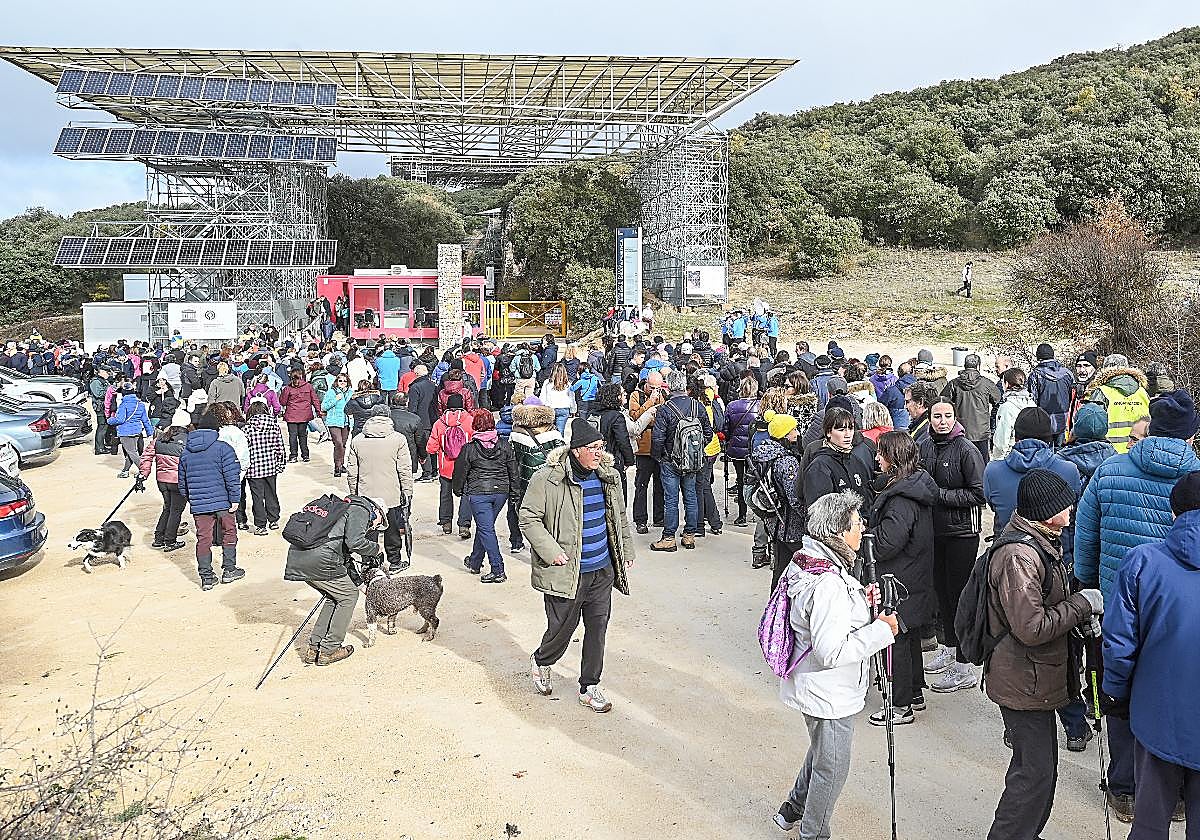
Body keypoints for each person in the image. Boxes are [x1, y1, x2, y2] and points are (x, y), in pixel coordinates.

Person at [1074, 389, 1200, 821]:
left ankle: (1125, 788)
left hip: (1116, 602)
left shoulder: (1110, 470)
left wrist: (1090, 585)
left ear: (1151, 425)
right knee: (1176, 694)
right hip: (1179, 615)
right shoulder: (1195, 475)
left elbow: (1086, 534)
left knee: (1118, 690)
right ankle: (1177, 793)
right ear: (1190, 434)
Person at [984, 469, 1103, 840]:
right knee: (1032, 776)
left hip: (1035, 678)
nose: (1071, 509)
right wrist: (1081, 606)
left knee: (1040, 773)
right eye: (1065, 505)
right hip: (1022, 682)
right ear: (1047, 513)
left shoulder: (1042, 540)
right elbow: (1031, 627)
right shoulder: (1018, 556)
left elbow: (1045, 605)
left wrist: (1076, 618)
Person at [772, 490, 899, 836]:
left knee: (822, 751)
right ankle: (813, 833)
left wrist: (859, 599)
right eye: (857, 524)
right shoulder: (827, 583)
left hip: (815, 686)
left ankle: (793, 808)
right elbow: (830, 652)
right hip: (828, 692)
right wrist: (880, 631)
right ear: (838, 532)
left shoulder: (808, 560)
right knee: (832, 766)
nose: (863, 529)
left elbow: (826, 613)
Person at [1102, 472, 1200, 837]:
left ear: (1173, 513)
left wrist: (1115, 693)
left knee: (1150, 823)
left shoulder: (1142, 562)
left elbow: (1119, 643)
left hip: (1157, 717)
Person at [522, 418, 634, 713]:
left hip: (602, 570)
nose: (599, 453)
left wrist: (626, 550)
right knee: (562, 628)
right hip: (566, 572)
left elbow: (619, 516)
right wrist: (551, 551)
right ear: (576, 450)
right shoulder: (547, 479)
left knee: (597, 628)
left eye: (601, 447)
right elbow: (528, 518)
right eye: (593, 448)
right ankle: (542, 660)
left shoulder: (608, 476)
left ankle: (589, 686)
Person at [867, 431, 938, 726]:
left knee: (893, 639)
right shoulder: (915, 486)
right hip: (914, 575)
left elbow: (887, 543)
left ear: (893, 459)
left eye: (881, 453)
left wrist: (865, 536)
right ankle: (915, 693)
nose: (877, 459)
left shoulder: (900, 500)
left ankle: (899, 705)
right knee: (908, 638)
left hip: (898, 580)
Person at [919, 400, 986, 693]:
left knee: (960, 597)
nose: (942, 421)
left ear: (955, 418)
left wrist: (941, 496)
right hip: (935, 532)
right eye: (937, 416)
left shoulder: (966, 450)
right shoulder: (926, 446)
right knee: (942, 595)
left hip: (962, 534)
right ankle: (948, 648)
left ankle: (964, 664)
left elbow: (979, 493)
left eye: (947, 416)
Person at [283, 495, 385, 667]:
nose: (374, 527)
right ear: (377, 511)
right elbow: (355, 543)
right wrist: (376, 549)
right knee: (348, 596)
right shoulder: (361, 510)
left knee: (334, 597)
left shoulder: (340, 508)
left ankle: (315, 648)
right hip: (320, 560)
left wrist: (360, 584)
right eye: (379, 523)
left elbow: (344, 555)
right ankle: (330, 649)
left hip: (299, 558)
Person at [984, 407, 1081, 538]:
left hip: (1006, 544)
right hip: (1055, 546)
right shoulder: (1070, 470)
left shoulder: (992, 471)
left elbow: (993, 506)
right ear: (1049, 439)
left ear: (1016, 437)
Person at [178, 411, 244, 590]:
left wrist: (193, 499)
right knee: (229, 532)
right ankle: (229, 570)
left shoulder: (186, 452)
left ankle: (207, 577)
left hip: (199, 504)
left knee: (203, 538)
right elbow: (232, 476)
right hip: (224, 502)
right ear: (216, 430)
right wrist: (235, 499)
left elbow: (182, 483)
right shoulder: (223, 448)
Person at [650, 369, 712, 552]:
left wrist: (659, 457)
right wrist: (695, 450)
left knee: (671, 499)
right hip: (692, 460)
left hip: (671, 460)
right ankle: (689, 536)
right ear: (684, 385)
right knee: (691, 497)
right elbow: (708, 433)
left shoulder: (665, 409)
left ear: (669, 387)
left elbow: (658, 438)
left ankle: (669, 538)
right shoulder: (697, 406)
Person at [452, 411, 518, 583]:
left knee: (486, 529)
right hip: (500, 492)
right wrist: (514, 492)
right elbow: (513, 471)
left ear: (475, 425)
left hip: (479, 492)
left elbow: (460, 472)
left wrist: (458, 490)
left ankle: (498, 569)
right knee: (485, 527)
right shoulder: (504, 445)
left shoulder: (469, 448)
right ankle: (475, 562)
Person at [346, 412, 414, 572]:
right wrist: (407, 491)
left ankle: (370, 565)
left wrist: (354, 493)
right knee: (392, 529)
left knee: (369, 530)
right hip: (391, 494)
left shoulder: (357, 440)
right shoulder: (398, 439)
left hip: (366, 495)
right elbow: (404, 469)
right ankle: (395, 562)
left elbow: (352, 471)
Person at [751, 411, 807, 591]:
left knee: (780, 570)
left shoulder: (764, 454)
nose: (797, 433)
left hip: (775, 522)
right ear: (784, 434)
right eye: (793, 430)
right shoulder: (787, 461)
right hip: (791, 525)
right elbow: (794, 498)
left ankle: (774, 604)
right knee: (801, 571)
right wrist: (809, 517)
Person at [510, 397, 565, 555]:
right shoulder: (553, 432)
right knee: (547, 512)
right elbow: (562, 457)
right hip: (547, 480)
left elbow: (511, 459)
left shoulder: (516, 433)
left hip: (523, 479)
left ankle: (516, 541)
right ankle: (544, 545)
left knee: (518, 510)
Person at [803, 407, 874, 512]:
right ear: (828, 432)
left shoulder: (856, 460)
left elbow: (867, 498)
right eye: (841, 430)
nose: (848, 435)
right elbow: (821, 513)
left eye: (851, 429)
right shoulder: (819, 467)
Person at [137, 411, 190, 552]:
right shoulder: (188, 439)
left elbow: (146, 455)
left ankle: (158, 538)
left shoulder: (160, 438)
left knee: (167, 508)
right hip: (178, 481)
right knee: (175, 511)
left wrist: (143, 473)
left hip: (162, 481)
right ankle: (170, 541)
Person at [426, 393, 475, 538]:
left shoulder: (439, 423)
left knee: (445, 494)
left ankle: (446, 523)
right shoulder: (470, 421)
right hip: (466, 466)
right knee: (466, 494)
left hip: (445, 466)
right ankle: (464, 525)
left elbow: (431, 448)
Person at [1084, 354, 1150, 455]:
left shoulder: (1101, 392)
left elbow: (1090, 426)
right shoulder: (1143, 393)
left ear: (1104, 370)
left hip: (1109, 453)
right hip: (1139, 452)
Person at [941, 353, 1000, 462]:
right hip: (981, 432)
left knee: (961, 462)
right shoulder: (986, 383)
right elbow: (997, 399)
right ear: (978, 366)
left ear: (964, 365)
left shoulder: (954, 383)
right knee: (982, 462)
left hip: (961, 430)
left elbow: (942, 401)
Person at [628, 371, 665, 534]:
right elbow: (635, 417)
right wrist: (650, 402)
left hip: (659, 446)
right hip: (643, 448)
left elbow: (663, 417)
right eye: (652, 387)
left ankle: (659, 517)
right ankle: (640, 520)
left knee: (660, 484)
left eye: (658, 388)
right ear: (646, 384)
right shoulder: (636, 395)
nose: (655, 391)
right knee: (641, 485)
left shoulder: (663, 395)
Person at [243, 400, 286, 535]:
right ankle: (273, 520)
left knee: (257, 497)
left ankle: (260, 525)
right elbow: (280, 447)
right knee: (271, 493)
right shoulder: (274, 426)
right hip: (271, 466)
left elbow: (244, 450)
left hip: (254, 468)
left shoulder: (247, 429)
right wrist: (281, 464)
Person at [723, 377, 761, 527]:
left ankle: (742, 515)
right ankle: (757, 509)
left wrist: (728, 440)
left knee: (740, 480)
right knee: (756, 479)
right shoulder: (760, 405)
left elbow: (726, 428)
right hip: (755, 449)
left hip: (737, 449)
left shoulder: (732, 406)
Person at [594, 383, 636, 500]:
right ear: (616, 397)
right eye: (622, 393)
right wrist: (629, 461)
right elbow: (623, 441)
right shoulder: (617, 417)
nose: (625, 395)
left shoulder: (593, 413)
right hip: (613, 460)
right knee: (618, 497)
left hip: (596, 458)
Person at [1026, 344, 1073, 446]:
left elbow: (1032, 401)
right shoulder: (1067, 373)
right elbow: (1072, 397)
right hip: (1064, 419)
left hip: (1043, 420)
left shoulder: (1035, 375)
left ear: (1038, 356)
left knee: (1045, 451)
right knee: (1061, 450)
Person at [108, 381, 153, 478]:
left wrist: (110, 420)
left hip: (125, 432)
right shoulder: (140, 404)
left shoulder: (123, 405)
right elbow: (145, 420)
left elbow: (120, 420)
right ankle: (125, 471)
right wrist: (149, 432)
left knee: (132, 452)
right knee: (131, 452)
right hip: (137, 431)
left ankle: (143, 471)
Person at [991, 368, 1035, 460]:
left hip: (1012, 457)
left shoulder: (1006, 408)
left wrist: (996, 460)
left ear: (1007, 384)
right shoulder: (1032, 404)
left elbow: (1001, 440)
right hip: (1031, 454)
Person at [279, 368, 321, 463]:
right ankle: (305, 455)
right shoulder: (308, 386)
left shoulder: (288, 388)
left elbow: (283, 402)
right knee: (303, 435)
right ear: (301, 375)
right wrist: (318, 411)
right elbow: (315, 399)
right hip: (304, 414)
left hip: (292, 414)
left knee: (293, 436)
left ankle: (293, 455)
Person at [321, 371, 353, 477]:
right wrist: (335, 399)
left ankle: (341, 464)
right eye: (340, 381)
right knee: (338, 443)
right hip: (334, 421)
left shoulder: (350, 392)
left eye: (345, 381)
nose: (342, 382)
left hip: (346, 421)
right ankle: (337, 466)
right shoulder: (331, 392)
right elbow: (324, 407)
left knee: (343, 444)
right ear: (336, 382)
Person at [538, 363, 575, 434]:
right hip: (564, 408)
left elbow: (542, 397)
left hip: (550, 408)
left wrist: (541, 407)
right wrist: (573, 409)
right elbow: (571, 397)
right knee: (560, 431)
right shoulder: (568, 384)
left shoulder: (547, 383)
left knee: (549, 431)